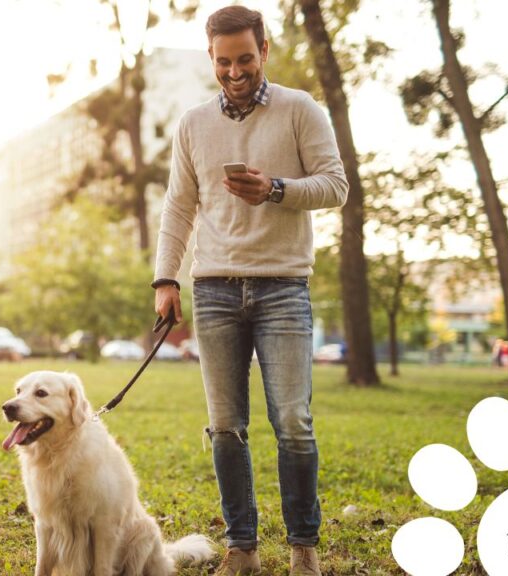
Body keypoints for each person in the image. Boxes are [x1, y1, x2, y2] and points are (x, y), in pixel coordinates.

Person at [151, 6, 348, 575]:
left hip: (283, 287)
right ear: (210, 59)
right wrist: (166, 278)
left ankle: (303, 547)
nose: (234, 72)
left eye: (244, 59)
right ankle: (241, 548)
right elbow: (178, 207)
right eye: (222, 62)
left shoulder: (299, 109)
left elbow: (336, 184)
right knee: (225, 424)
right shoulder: (193, 124)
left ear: (264, 50)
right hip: (213, 290)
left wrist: (276, 189)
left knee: (292, 420)